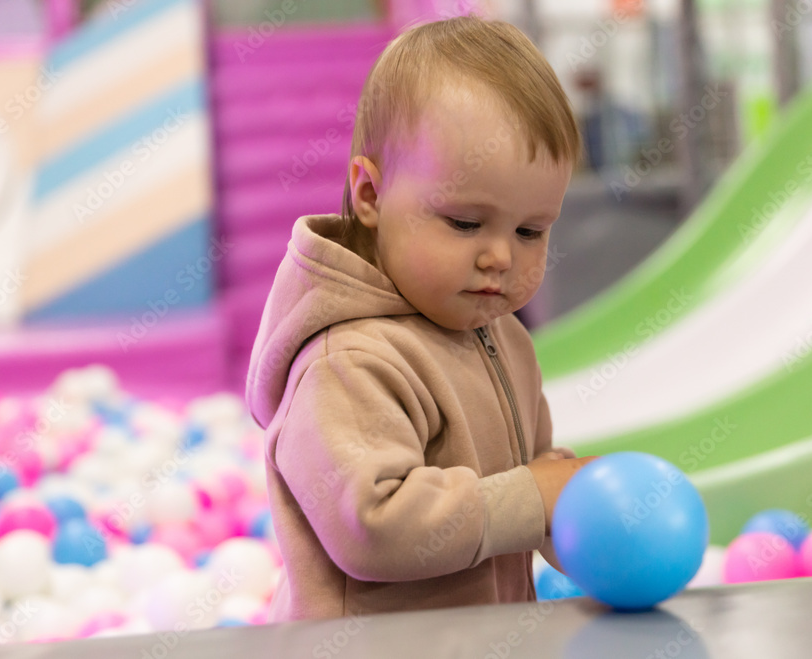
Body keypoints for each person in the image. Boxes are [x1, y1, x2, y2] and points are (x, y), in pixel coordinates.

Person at [246, 15, 596, 622]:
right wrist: (532, 499)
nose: (500, 256)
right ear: (371, 196)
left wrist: (572, 513)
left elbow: (522, 485)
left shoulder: (504, 338)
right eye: (464, 223)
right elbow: (373, 527)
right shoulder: (349, 363)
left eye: (531, 230)